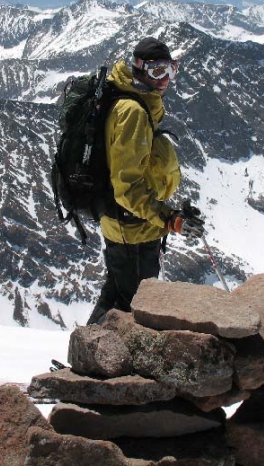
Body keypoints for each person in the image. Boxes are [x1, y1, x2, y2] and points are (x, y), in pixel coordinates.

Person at [86, 37, 205, 325]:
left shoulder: (134, 102)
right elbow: (128, 189)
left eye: (170, 70)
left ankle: (85, 356)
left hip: (128, 225)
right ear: (139, 69)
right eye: (156, 71)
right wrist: (170, 219)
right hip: (133, 229)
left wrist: (165, 216)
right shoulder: (133, 113)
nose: (164, 79)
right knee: (131, 310)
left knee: (116, 295)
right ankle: (98, 362)